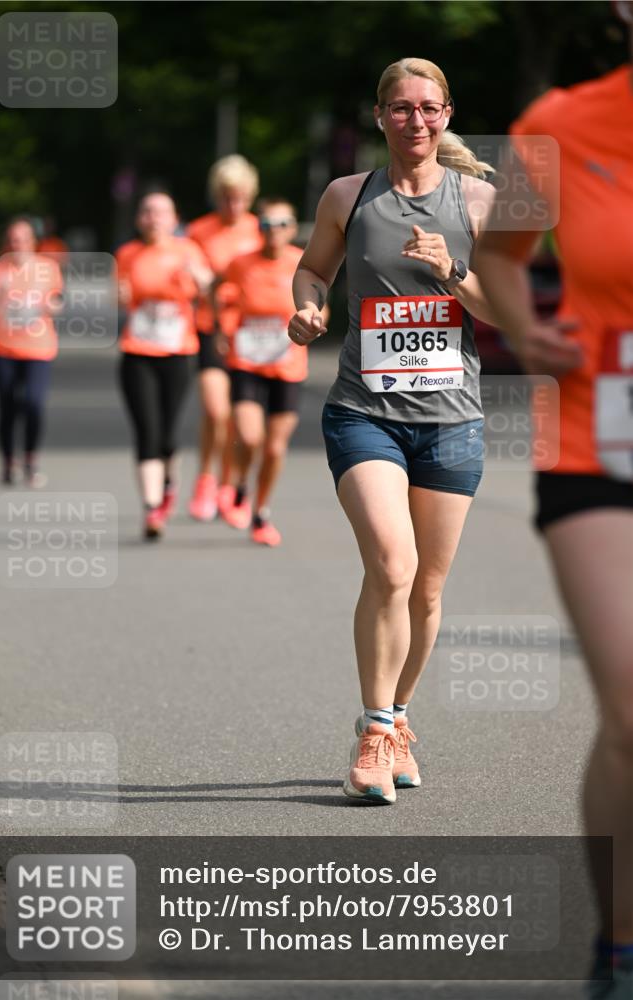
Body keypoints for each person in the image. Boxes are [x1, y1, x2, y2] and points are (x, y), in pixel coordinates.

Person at [288, 57, 497, 805]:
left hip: (450, 422)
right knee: (392, 565)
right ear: (378, 116)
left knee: (428, 593)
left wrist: (452, 272)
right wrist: (308, 307)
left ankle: (399, 716)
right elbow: (312, 270)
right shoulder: (349, 195)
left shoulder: (476, 201)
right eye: (400, 108)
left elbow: (503, 313)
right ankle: (375, 733)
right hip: (363, 412)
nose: (415, 120)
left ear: (445, 115)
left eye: (428, 108)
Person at [475, 7, 633, 993]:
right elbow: (497, 256)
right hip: (600, 442)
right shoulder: (561, 125)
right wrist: (521, 333)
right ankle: (619, 944)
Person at [116, 192, 213, 539]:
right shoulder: (128, 254)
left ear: (173, 219)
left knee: (168, 434)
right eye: (146, 211)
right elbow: (120, 295)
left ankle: (168, 483)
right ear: (138, 219)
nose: (152, 218)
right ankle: (151, 509)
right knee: (147, 430)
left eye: (160, 212)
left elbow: (208, 288)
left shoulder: (187, 250)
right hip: (137, 352)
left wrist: (201, 279)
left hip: (177, 353)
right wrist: (121, 296)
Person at [217, 197, 306, 546]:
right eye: (267, 225)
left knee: (274, 448)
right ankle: (239, 483)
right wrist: (223, 330)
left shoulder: (301, 262)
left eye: (282, 224)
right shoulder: (241, 263)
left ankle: (261, 511)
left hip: (288, 364)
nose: (274, 232)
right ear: (258, 229)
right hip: (247, 362)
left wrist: (316, 319)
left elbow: (319, 303)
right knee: (250, 436)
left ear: (293, 229)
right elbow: (216, 291)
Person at [185, 155, 263, 522]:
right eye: (226, 197)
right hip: (209, 325)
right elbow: (186, 269)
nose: (233, 205)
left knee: (238, 418)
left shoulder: (258, 229)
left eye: (240, 197)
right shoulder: (199, 231)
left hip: (248, 332)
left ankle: (229, 486)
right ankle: (205, 478)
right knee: (215, 409)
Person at [0, 217, 62, 486]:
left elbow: (57, 302)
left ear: (33, 242)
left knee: (34, 404)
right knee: (7, 407)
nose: (17, 244)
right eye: (12, 239)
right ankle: (8, 462)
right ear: (5, 243)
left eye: (22, 239)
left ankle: (31, 461)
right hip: (4, 351)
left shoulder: (48, 269)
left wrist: (51, 306)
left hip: (39, 349)